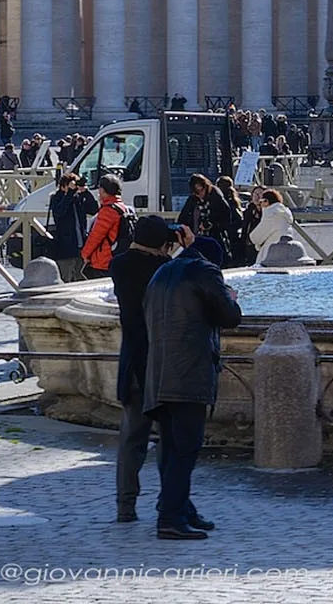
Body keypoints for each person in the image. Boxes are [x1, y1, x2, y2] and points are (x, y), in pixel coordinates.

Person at [142, 230, 242, 539]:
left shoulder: (162, 271)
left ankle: (180, 508)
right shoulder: (206, 270)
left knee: (171, 446)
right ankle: (170, 518)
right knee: (186, 447)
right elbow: (230, 317)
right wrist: (230, 297)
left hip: (158, 373)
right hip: (188, 372)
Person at [109, 215, 190, 523]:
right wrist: (186, 248)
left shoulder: (119, 265)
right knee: (169, 440)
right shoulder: (164, 270)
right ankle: (169, 504)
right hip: (163, 365)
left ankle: (125, 505)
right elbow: (204, 269)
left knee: (131, 441)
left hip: (133, 365)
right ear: (159, 244)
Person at [80, 174, 133, 279]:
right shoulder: (125, 208)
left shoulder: (108, 211)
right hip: (120, 256)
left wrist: (85, 254)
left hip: (104, 260)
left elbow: (96, 236)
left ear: (103, 191)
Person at [46, 173, 97, 282]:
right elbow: (59, 212)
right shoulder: (56, 198)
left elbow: (94, 210)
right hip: (65, 248)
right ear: (62, 186)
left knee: (81, 278)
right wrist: (69, 193)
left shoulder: (78, 198)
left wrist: (86, 192)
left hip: (81, 246)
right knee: (66, 279)